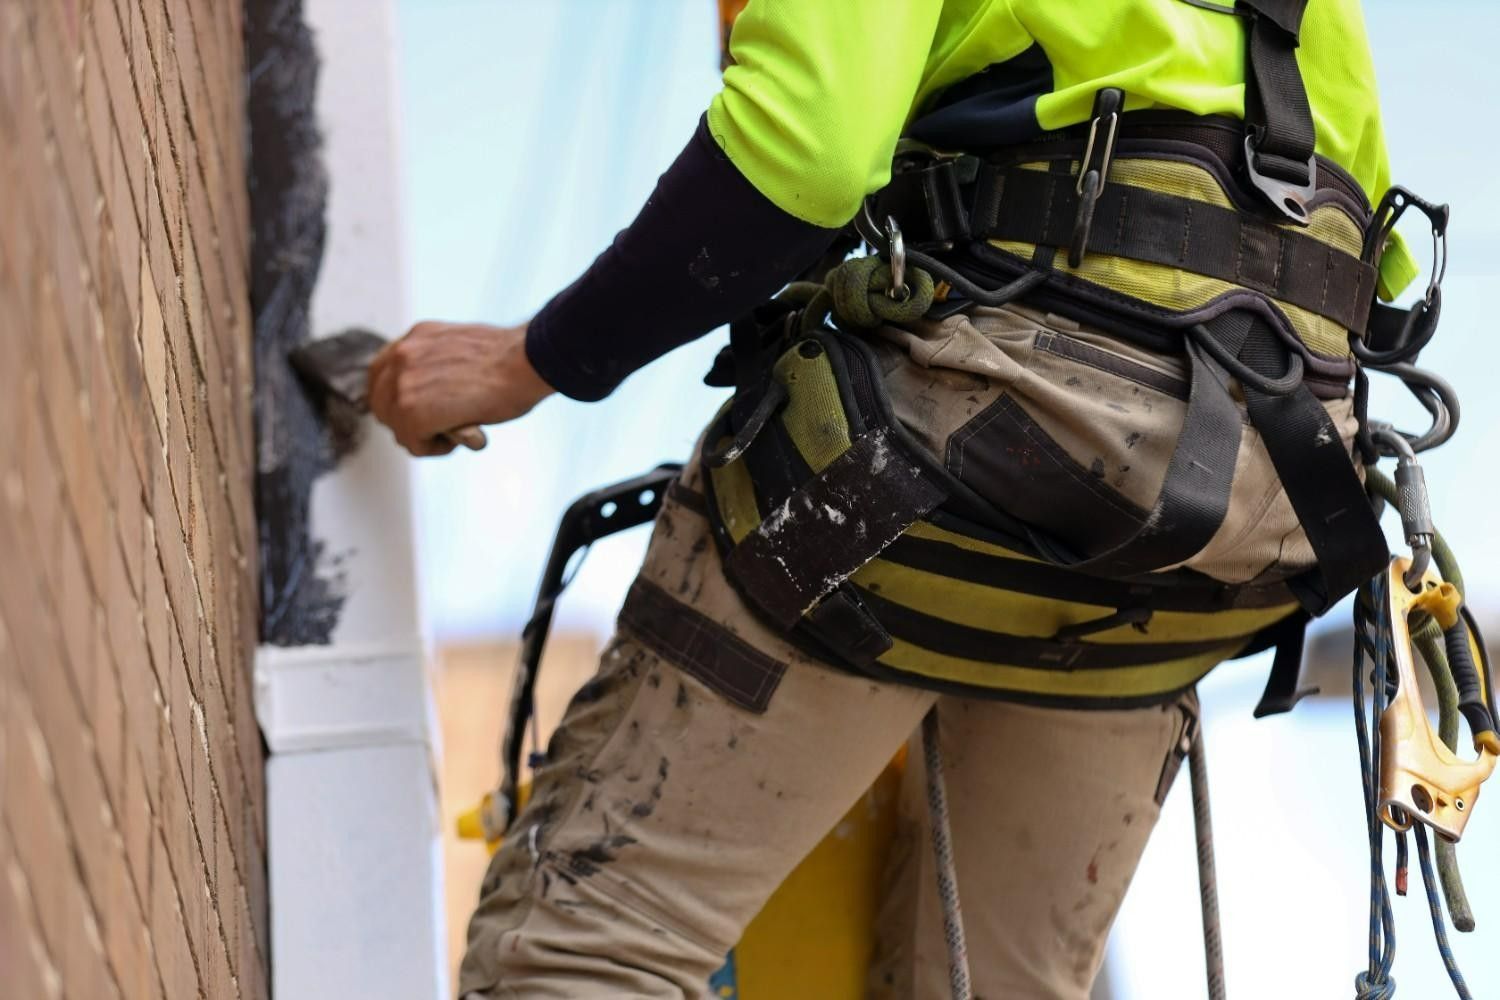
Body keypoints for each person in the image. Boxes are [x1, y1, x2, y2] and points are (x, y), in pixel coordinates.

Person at [370, 2, 1420, 996]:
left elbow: (807, 151)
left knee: (586, 948)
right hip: (1255, 512)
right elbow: (1369, 277)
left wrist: (530, 359)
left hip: (964, 446)